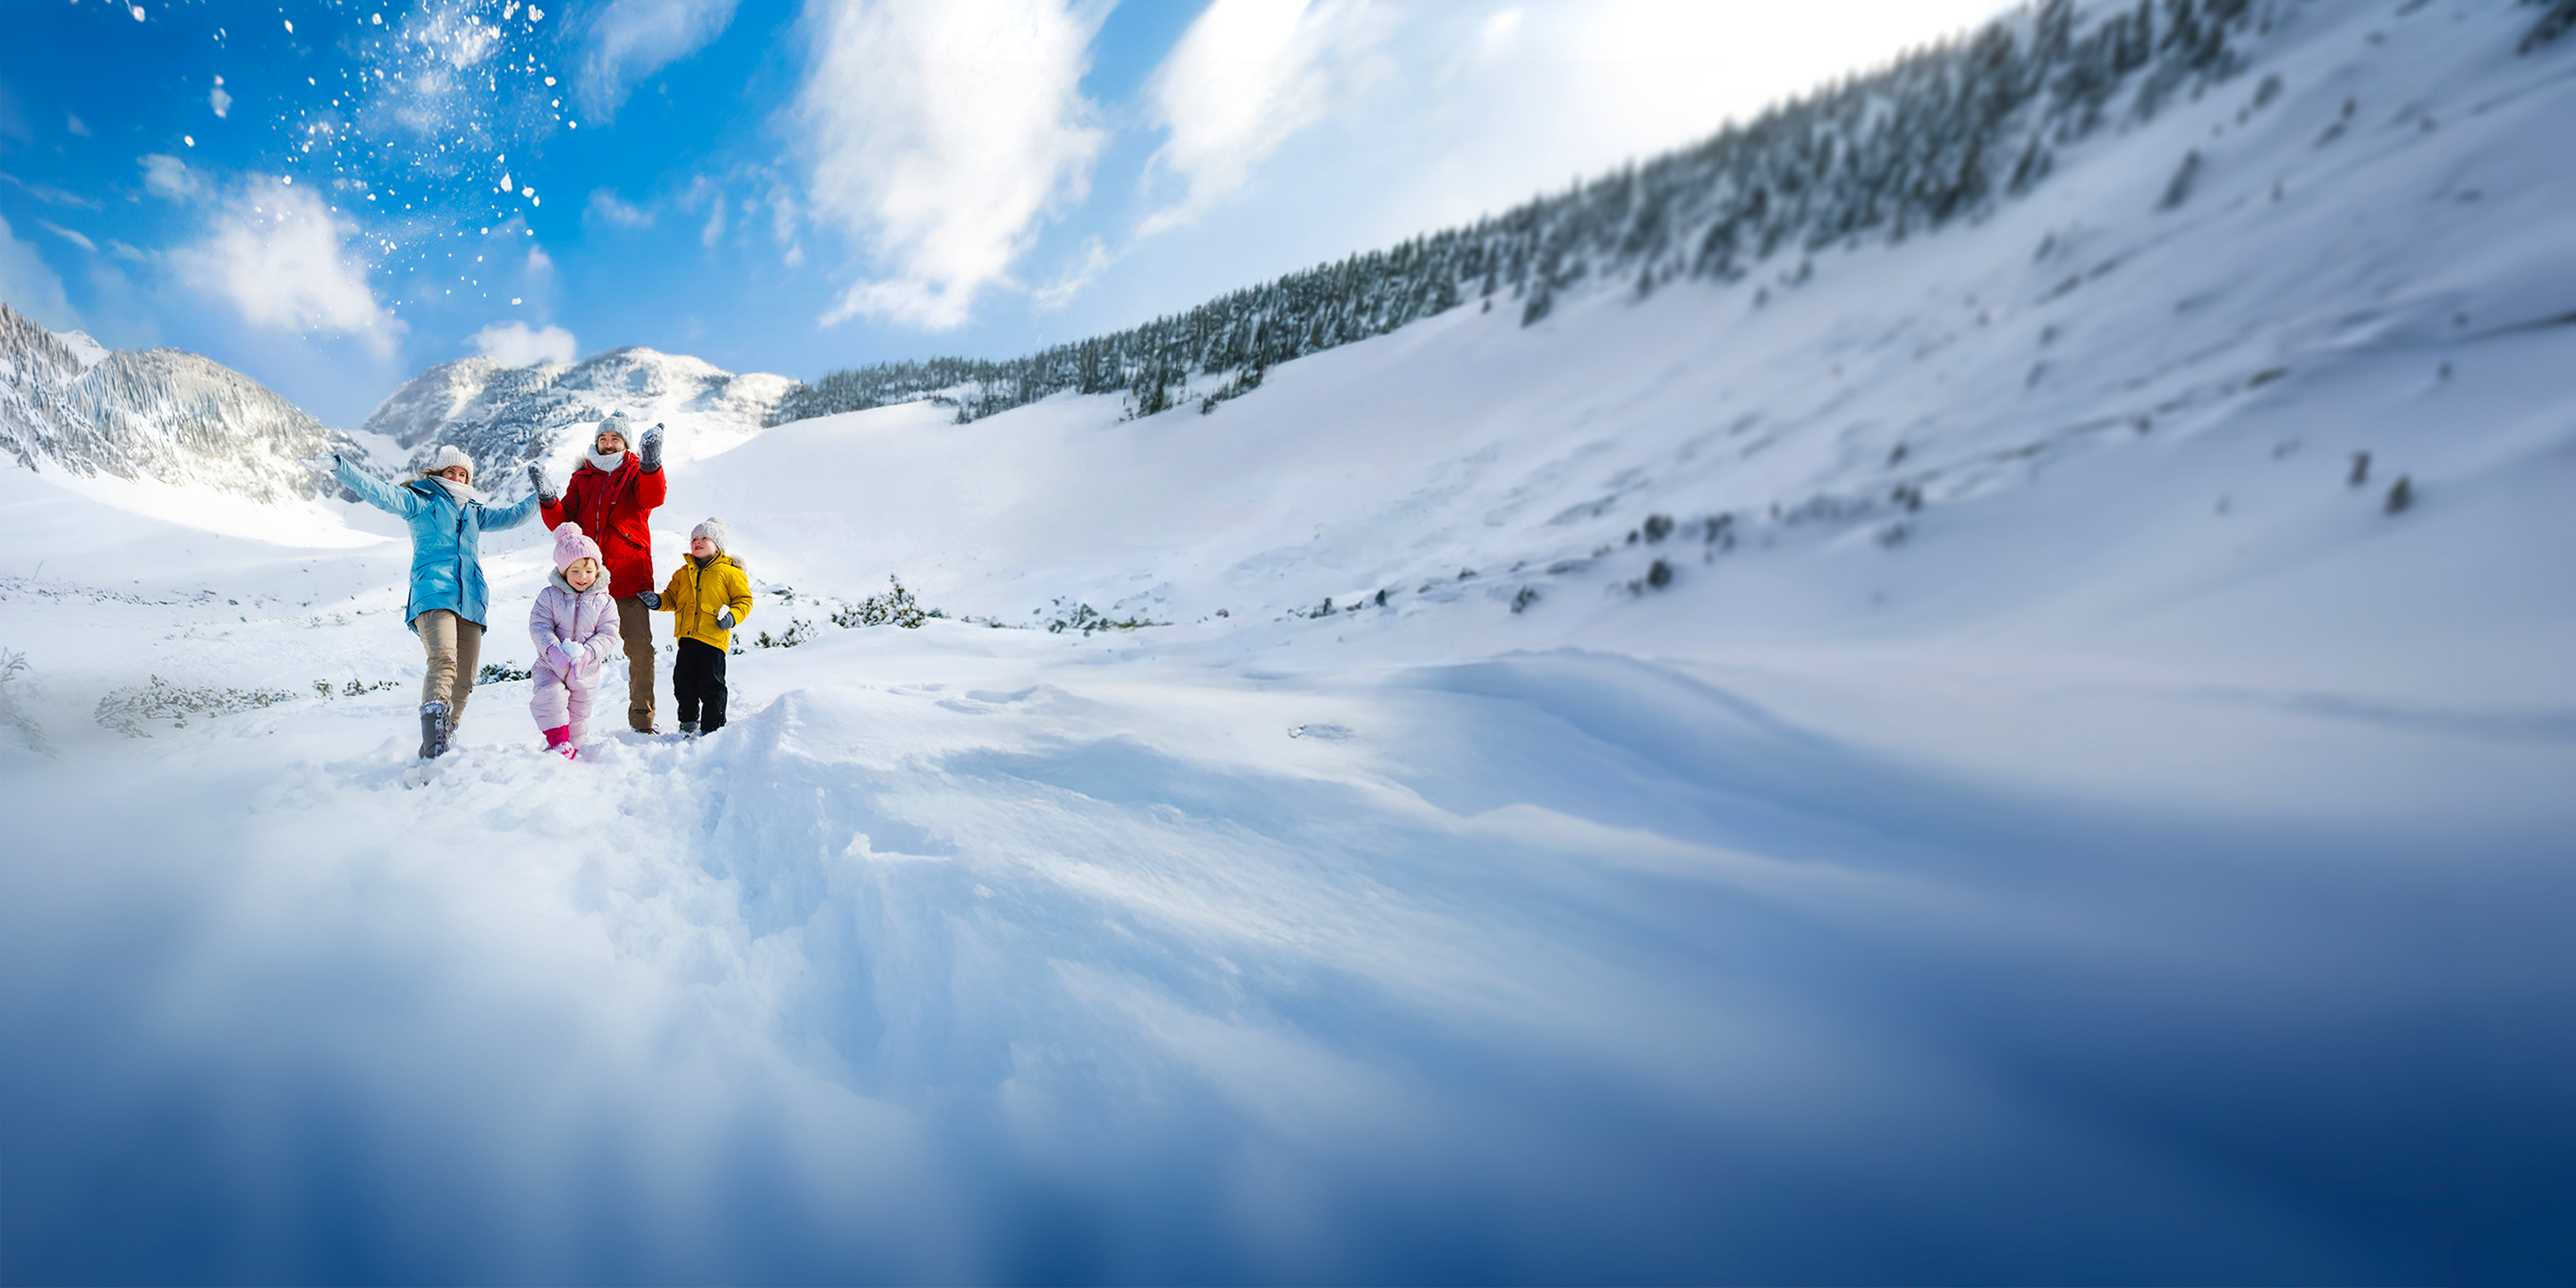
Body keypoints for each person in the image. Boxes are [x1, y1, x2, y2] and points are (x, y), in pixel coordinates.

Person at [313, 445, 541, 758]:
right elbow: (380, 493)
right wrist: (340, 467)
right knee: (444, 659)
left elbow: (513, 516)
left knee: (465, 680)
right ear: (439, 472)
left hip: (471, 601)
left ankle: (443, 741)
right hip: (433, 594)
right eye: (451, 472)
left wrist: (542, 495)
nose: (457, 478)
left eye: (463, 474)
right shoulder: (421, 502)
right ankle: (434, 748)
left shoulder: (474, 512)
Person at [532, 415, 666, 733]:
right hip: (584, 581)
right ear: (596, 442)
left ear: (626, 444)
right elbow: (563, 524)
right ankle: (561, 726)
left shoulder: (635, 471)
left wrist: (651, 463)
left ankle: (643, 722)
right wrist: (549, 500)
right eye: (604, 438)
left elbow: (653, 497)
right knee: (567, 656)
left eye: (615, 439)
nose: (608, 443)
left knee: (640, 650)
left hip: (627, 577)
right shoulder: (582, 478)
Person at [640, 518, 751, 735]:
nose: (697, 542)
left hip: (713, 639)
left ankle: (713, 728)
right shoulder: (683, 573)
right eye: (694, 539)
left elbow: (744, 600)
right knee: (683, 683)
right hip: (687, 638)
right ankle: (688, 722)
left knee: (711, 685)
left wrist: (732, 617)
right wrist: (658, 601)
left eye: (704, 538)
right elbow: (672, 598)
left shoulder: (730, 572)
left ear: (718, 545)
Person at [527, 523, 623, 759]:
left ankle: (569, 754)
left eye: (589, 570)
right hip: (551, 665)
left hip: (585, 671)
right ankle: (559, 742)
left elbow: (609, 633)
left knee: (577, 717)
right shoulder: (549, 596)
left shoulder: (605, 601)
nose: (583, 577)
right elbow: (539, 625)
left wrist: (589, 653)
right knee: (551, 695)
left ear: (597, 570)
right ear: (563, 572)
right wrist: (552, 649)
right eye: (575, 570)